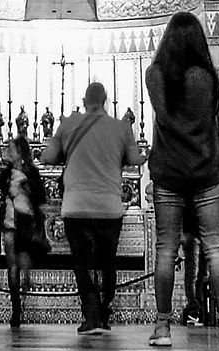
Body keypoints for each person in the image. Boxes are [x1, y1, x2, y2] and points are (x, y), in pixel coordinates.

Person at [145, 12, 219, 347]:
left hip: (168, 172)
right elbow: (212, 125)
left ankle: (163, 327)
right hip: (207, 171)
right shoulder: (209, 79)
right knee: (216, 248)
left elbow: (163, 117)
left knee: (166, 249)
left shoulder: (155, 75)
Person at [42, 81, 144, 337]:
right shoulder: (121, 127)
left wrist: (64, 139)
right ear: (106, 101)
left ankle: (91, 317)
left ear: (85, 100)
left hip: (76, 206)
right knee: (108, 261)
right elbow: (135, 160)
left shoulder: (68, 124)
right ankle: (105, 312)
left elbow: (47, 157)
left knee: (82, 263)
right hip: (109, 207)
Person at [0, 132, 52, 321]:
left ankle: (23, 293)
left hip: (26, 223)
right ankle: (16, 306)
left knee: (23, 262)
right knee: (12, 265)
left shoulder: (31, 173)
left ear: (20, 152)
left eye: (11, 149)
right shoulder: (5, 174)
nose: (7, 151)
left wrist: (26, 188)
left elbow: (41, 196)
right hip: (9, 222)